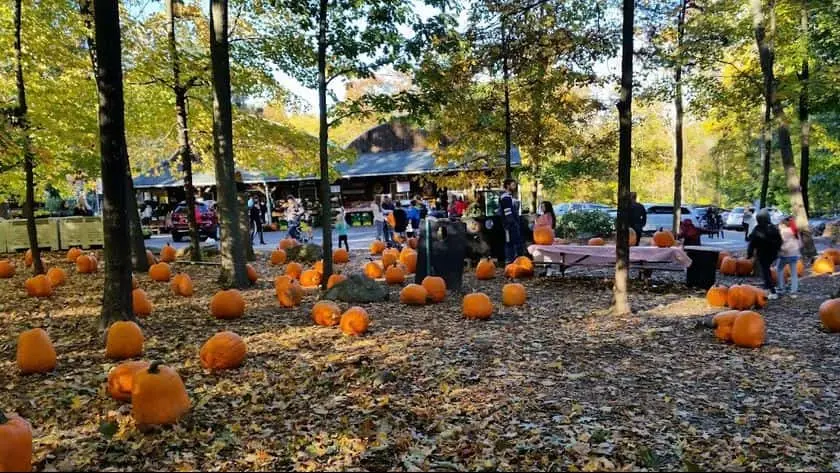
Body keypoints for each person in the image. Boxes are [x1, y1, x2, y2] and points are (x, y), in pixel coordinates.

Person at [747, 209, 782, 299]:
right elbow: (780, 241)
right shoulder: (773, 227)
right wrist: (777, 249)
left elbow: (752, 242)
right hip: (773, 253)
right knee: (767, 270)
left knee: (765, 271)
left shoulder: (758, 229)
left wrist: (749, 254)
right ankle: (768, 287)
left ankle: (772, 291)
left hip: (763, 253)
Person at [498, 179, 522, 263]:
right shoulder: (505, 197)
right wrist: (512, 222)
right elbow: (507, 211)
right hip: (510, 224)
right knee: (510, 242)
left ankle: (512, 260)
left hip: (511, 223)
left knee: (511, 241)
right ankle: (510, 260)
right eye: (513, 185)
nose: (514, 187)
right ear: (508, 186)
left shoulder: (509, 196)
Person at [777, 216, 801, 298]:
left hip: (785, 254)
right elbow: (800, 243)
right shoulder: (794, 231)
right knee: (794, 273)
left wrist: (780, 250)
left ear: (785, 223)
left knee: (779, 269)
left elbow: (781, 243)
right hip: (794, 254)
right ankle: (793, 291)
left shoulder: (783, 231)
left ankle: (781, 287)